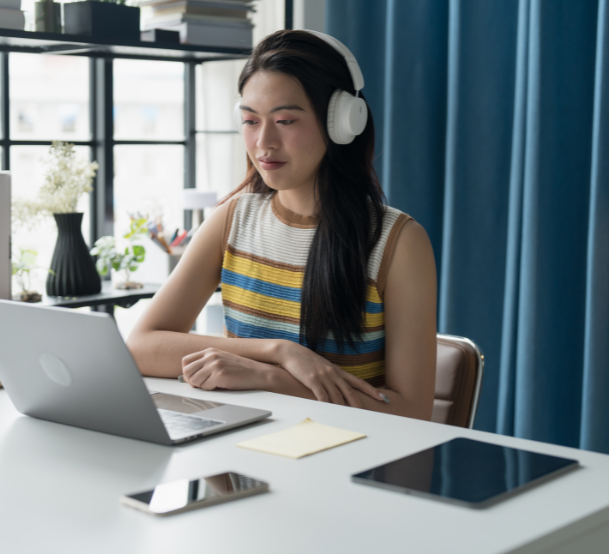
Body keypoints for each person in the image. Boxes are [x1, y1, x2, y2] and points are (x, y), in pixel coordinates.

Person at [128, 29, 437, 419]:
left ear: (343, 122)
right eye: (250, 121)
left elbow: (412, 411)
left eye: (285, 120)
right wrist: (279, 352)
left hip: (351, 458)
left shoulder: (398, 243)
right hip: (241, 453)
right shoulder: (231, 220)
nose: (264, 142)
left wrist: (272, 378)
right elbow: (140, 347)